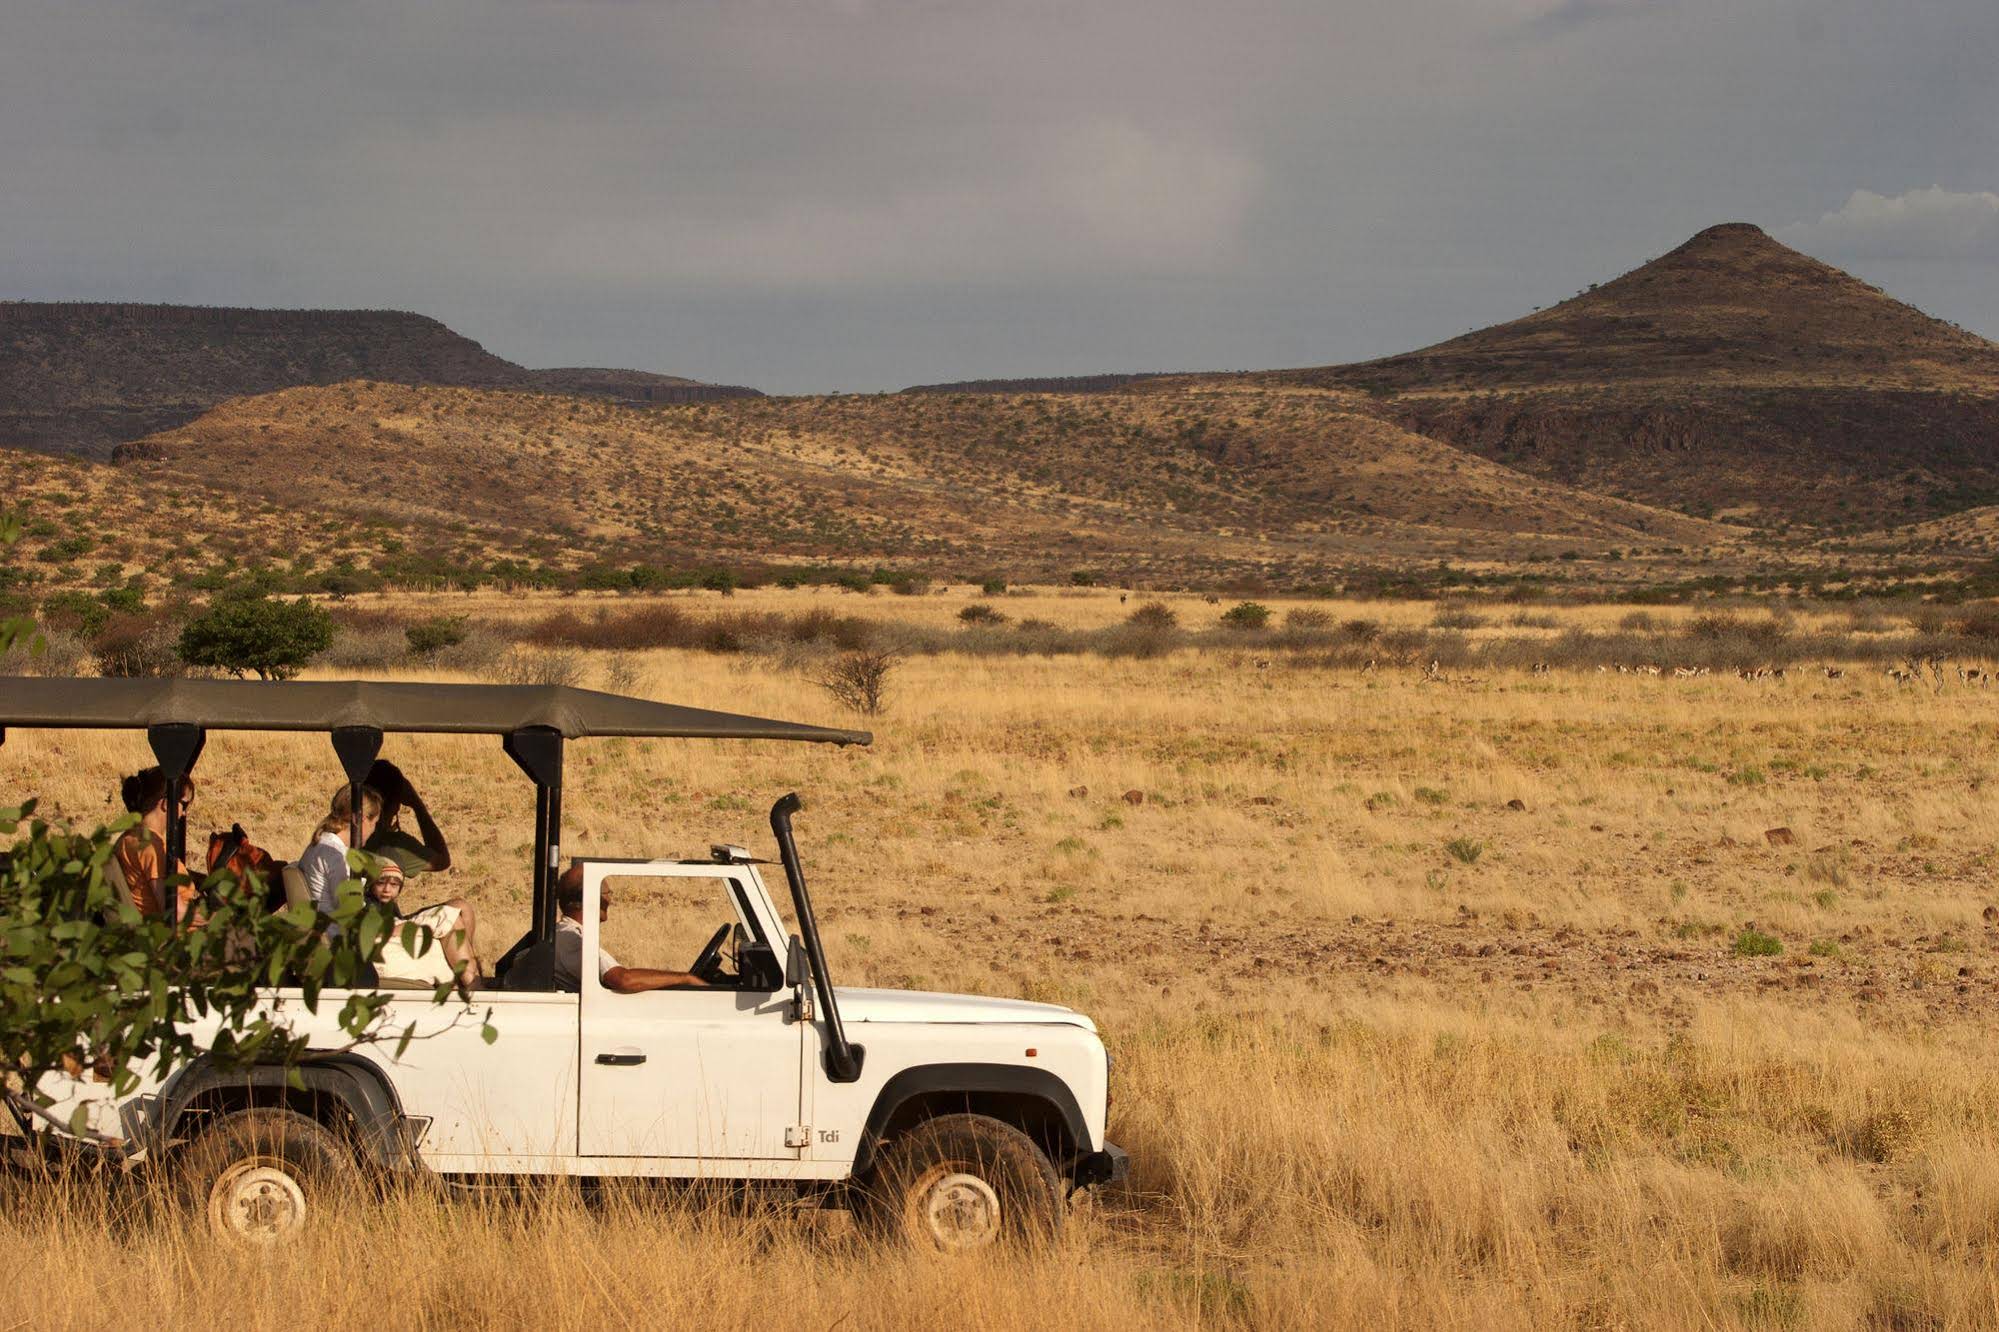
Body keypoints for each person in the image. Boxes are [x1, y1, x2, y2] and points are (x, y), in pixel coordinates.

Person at [298, 783, 480, 986]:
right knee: (449, 919)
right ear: (362, 820)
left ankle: (472, 983)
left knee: (454, 910)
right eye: (374, 822)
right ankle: (474, 989)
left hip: (346, 937)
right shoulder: (336, 856)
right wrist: (397, 929)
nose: (374, 829)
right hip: (354, 948)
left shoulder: (319, 847)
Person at [550, 862, 706, 994]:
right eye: (606, 892)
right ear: (591, 897)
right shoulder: (571, 938)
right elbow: (623, 980)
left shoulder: (568, 933)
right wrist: (686, 979)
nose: (610, 897)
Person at [114, 767, 198, 920]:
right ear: (166, 803)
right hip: (181, 937)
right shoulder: (150, 846)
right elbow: (174, 912)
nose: (184, 813)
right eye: (184, 805)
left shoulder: (129, 838)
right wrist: (213, 918)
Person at [362, 759, 452, 878]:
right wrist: (417, 804)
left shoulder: (340, 831)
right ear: (396, 804)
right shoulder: (393, 844)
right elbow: (441, 860)